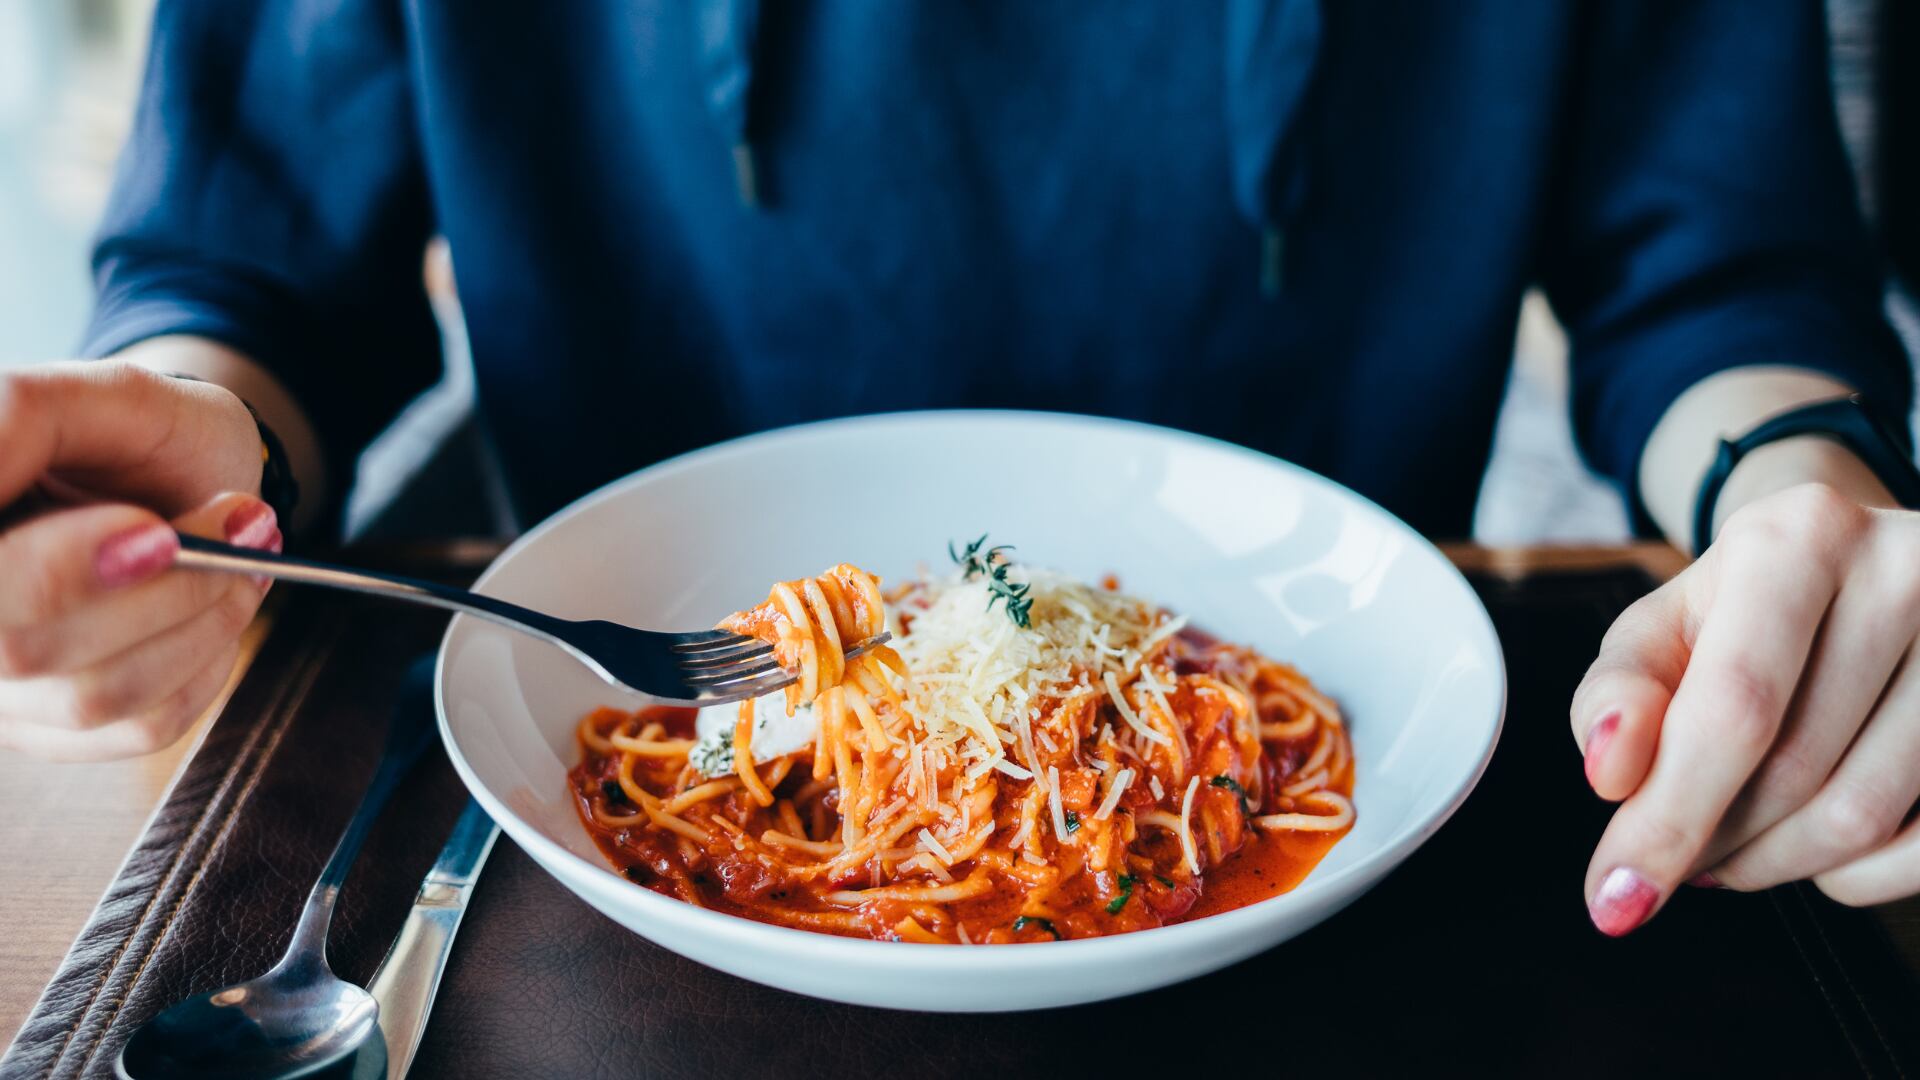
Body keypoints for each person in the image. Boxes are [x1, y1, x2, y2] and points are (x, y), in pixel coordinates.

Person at [1, 1, 1916, 940]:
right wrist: (189, 462)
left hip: (1363, 851)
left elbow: (1715, 258)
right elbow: (250, 271)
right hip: (598, 828)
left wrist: (1799, 500)